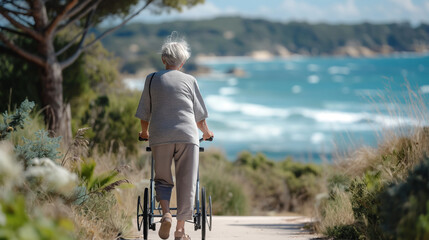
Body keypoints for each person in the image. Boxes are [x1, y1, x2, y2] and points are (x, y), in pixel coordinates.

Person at [135, 32, 214, 240]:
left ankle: (166, 214)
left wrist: (145, 133)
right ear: (183, 62)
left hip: (160, 135)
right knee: (188, 181)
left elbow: (144, 112)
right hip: (187, 136)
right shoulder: (190, 80)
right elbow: (199, 117)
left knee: (161, 178)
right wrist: (206, 133)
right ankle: (180, 230)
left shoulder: (151, 79)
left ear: (163, 59)